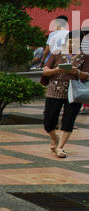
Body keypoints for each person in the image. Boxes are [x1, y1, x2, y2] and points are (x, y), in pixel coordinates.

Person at [40, 26, 89, 157]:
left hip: (74, 93)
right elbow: (45, 71)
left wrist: (77, 72)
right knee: (48, 121)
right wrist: (56, 70)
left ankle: (60, 147)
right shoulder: (57, 53)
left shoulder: (85, 56)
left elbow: (87, 75)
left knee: (68, 120)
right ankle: (55, 139)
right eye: (71, 42)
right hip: (54, 90)